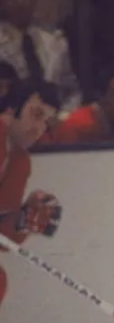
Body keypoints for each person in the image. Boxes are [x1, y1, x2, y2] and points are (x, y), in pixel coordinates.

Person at [0, 79, 63, 308]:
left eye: (46, 123)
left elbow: (3, 240)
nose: (39, 129)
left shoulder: (19, 161)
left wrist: (22, 222)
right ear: (11, 107)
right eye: (36, 115)